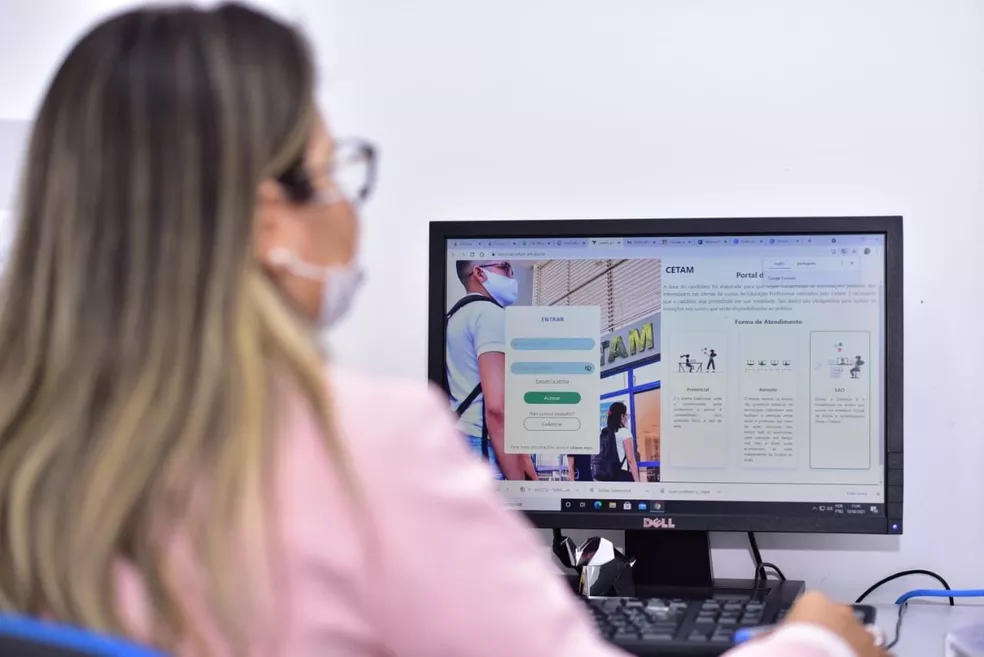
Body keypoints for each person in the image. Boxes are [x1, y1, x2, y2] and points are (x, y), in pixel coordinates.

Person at [0, 4, 886, 657]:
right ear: (270, 222)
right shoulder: (358, 448)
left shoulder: (25, 442)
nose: (349, 207)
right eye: (333, 173)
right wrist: (814, 641)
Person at [446, 258, 537, 480]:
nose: (512, 276)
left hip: (457, 438)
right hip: (483, 445)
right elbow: (497, 408)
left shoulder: (453, 317)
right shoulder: (490, 314)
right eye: (505, 267)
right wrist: (518, 483)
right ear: (479, 273)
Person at [592, 402, 640, 482]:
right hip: (622, 475)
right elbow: (630, 459)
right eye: (626, 415)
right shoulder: (625, 432)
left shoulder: (605, 432)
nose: (627, 417)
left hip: (607, 476)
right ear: (621, 416)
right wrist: (637, 481)